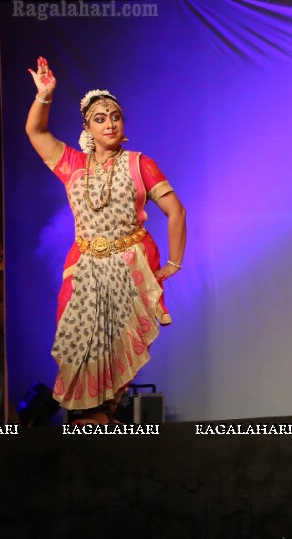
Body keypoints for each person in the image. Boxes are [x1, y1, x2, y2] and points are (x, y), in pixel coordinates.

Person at [24, 57, 187, 424]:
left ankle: (105, 414)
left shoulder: (139, 164)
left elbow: (176, 211)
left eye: (115, 116)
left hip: (127, 269)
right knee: (78, 347)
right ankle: (87, 418)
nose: (110, 123)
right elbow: (35, 132)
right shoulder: (71, 164)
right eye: (101, 118)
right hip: (85, 271)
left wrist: (173, 264)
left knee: (115, 350)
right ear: (87, 127)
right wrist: (45, 96)